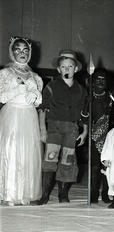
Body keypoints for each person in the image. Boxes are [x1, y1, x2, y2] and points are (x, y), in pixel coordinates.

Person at [38, 49, 89, 204]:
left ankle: (63, 194)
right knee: (50, 159)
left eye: (70, 67)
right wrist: (42, 129)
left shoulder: (81, 90)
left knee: (68, 161)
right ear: (59, 69)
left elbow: (84, 113)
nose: (67, 70)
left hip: (72, 129)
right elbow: (43, 109)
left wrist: (85, 131)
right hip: (54, 128)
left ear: (76, 69)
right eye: (64, 67)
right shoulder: (51, 87)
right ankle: (45, 195)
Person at [0, 36, 43, 206]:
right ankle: (9, 193)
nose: (22, 53)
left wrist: (34, 96)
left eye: (25, 50)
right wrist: (18, 89)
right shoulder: (5, 73)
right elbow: (2, 96)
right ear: (12, 52)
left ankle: (25, 193)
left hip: (29, 116)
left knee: (28, 153)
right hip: (12, 115)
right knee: (11, 151)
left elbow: (39, 101)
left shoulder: (35, 76)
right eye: (17, 50)